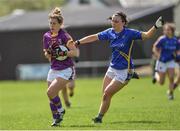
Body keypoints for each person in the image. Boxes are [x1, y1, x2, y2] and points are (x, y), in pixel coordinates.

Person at [75, 11, 163, 123]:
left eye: (116, 21)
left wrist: (155, 26)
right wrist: (78, 42)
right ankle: (100, 117)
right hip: (112, 68)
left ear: (123, 22)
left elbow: (147, 35)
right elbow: (94, 37)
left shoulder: (129, 33)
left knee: (107, 94)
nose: (113, 23)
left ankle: (99, 118)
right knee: (104, 95)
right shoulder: (110, 32)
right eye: (112, 20)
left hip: (124, 71)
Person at [43, 7, 78, 126]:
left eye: (54, 23)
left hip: (66, 69)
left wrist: (63, 53)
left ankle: (61, 110)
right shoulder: (46, 36)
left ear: (60, 24)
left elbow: (74, 52)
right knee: (51, 96)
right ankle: (56, 119)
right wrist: (48, 53)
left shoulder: (65, 36)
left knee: (50, 92)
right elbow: (47, 53)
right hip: (53, 69)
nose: (52, 25)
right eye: (50, 23)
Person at [152, 23, 179, 100]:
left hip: (170, 61)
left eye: (168, 30)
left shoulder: (175, 40)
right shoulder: (162, 39)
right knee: (161, 82)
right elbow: (154, 47)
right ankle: (156, 75)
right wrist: (157, 55)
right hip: (162, 62)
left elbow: (177, 50)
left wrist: (177, 56)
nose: (166, 31)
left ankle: (170, 94)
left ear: (172, 31)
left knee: (171, 78)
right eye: (165, 30)